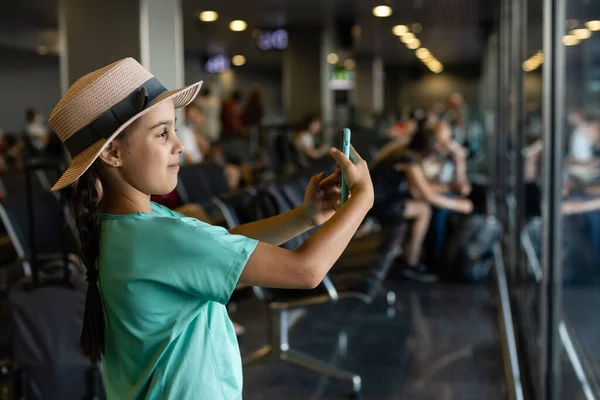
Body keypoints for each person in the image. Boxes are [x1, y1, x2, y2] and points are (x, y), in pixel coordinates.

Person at [47, 58, 374, 400]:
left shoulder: (124, 226)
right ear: (112, 152)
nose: (180, 145)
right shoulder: (158, 237)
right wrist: (362, 200)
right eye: (162, 133)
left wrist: (305, 217)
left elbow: (225, 250)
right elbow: (306, 271)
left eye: (174, 129)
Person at [371, 120, 473, 282]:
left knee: (422, 207)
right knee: (424, 210)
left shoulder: (406, 155)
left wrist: (449, 189)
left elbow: (420, 188)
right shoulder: (408, 160)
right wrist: (459, 205)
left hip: (380, 201)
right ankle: (411, 263)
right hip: (377, 204)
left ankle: (411, 258)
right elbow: (426, 195)